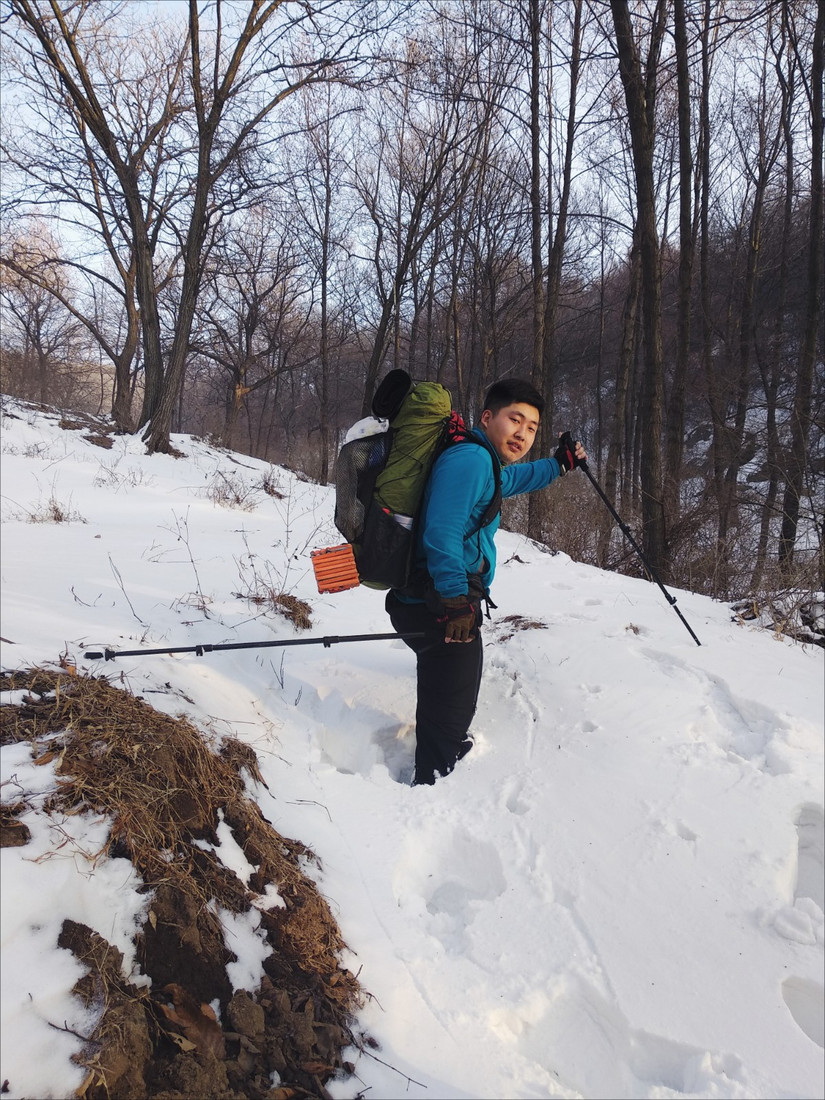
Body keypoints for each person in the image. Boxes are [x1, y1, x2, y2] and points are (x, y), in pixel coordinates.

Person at [386, 378, 587, 786]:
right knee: (451, 702)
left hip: (430, 597)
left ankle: (442, 744)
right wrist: (456, 600)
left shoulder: (483, 462)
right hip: (438, 602)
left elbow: (511, 482)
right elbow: (442, 531)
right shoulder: (471, 461)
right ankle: (433, 779)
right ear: (488, 417)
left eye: (532, 427)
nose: (523, 433)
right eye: (515, 420)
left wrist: (559, 464)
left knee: (453, 684)